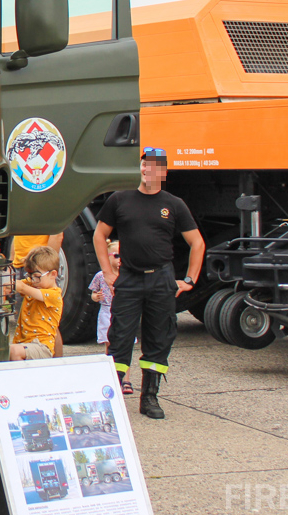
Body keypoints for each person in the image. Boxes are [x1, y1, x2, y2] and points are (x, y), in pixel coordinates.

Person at [94, 146, 205, 420]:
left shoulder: (174, 204)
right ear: (141, 168)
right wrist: (108, 272)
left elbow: (197, 243)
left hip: (161, 279)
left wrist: (189, 279)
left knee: (159, 338)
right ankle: (112, 396)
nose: (148, 170)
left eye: (154, 166)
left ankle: (150, 398)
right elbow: (99, 235)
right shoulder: (120, 200)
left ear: (163, 172)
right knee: (119, 337)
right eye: (144, 165)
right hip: (129, 278)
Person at [9, 245, 63, 360]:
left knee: (13, 351)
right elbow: (15, 285)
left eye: (37, 276)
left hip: (41, 346)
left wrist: (15, 283)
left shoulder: (54, 294)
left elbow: (22, 288)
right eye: (30, 276)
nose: (33, 281)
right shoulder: (34, 284)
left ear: (53, 274)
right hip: (24, 344)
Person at [89, 241, 129, 393]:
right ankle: (111, 374)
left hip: (124, 312)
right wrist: (96, 297)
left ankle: (126, 379)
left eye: (123, 256)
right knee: (109, 345)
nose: (120, 260)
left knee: (126, 345)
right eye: (117, 256)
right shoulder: (101, 275)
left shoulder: (127, 274)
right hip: (106, 311)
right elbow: (93, 292)